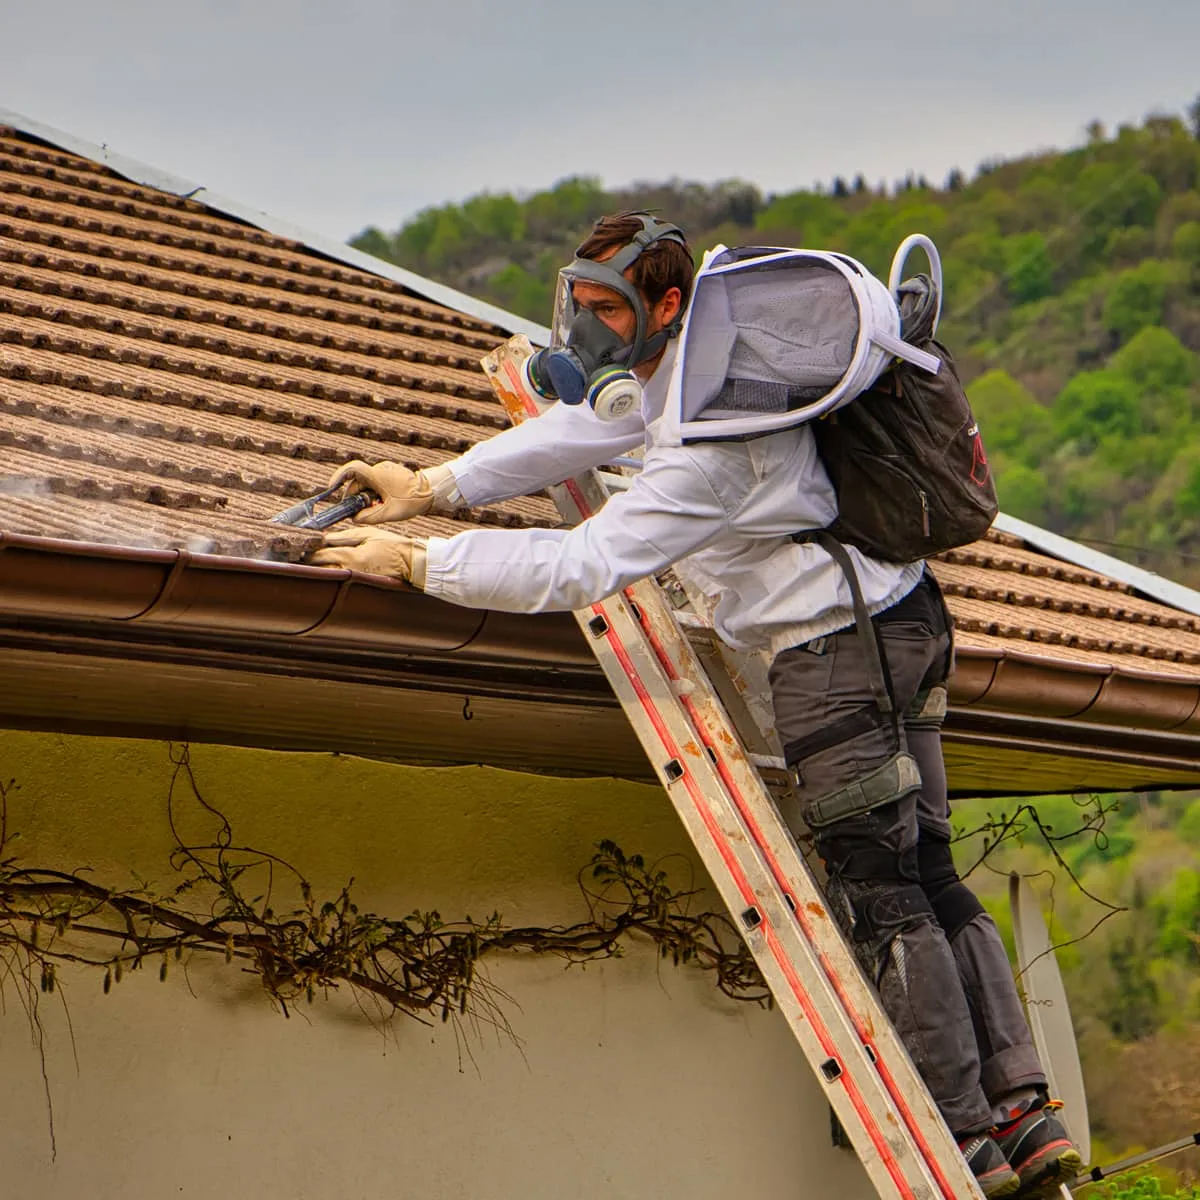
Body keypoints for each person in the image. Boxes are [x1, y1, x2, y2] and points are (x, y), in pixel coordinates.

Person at [309, 212, 1082, 1198]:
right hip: (906, 616)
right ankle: (1025, 1114)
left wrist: (423, 564)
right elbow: (595, 426)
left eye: (608, 308)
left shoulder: (714, 451)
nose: (586, 326)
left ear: (664, 307)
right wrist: (431, 485)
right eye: (579, 302)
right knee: (927, 864)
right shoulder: (720, 357)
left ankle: (964, 1139)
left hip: (836, 656)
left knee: (882, 891)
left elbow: (585, 563)